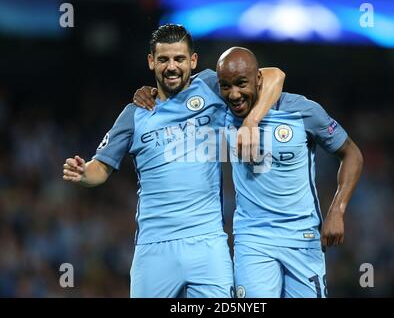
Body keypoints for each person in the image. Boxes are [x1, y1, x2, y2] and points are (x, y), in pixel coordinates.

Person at [62, 25, 284, 298]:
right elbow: (100, 168)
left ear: (193, 60)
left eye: (179, 58)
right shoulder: (135, 113)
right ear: (151, 61)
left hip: (208, 245)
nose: (172, 67)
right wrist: (83, 172)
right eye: (164, 59)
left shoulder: (212, 86)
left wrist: (251, 121)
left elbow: (274, 75)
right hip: (154, 248)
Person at [218, 47, 363, 298]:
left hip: (302, 237)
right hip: (253, 239)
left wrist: (337, 211)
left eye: (241, 83)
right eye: (225, 86)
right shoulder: (220, 111)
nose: (234, 94)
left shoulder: (302, 111)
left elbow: (352, 154)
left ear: (259, 79)